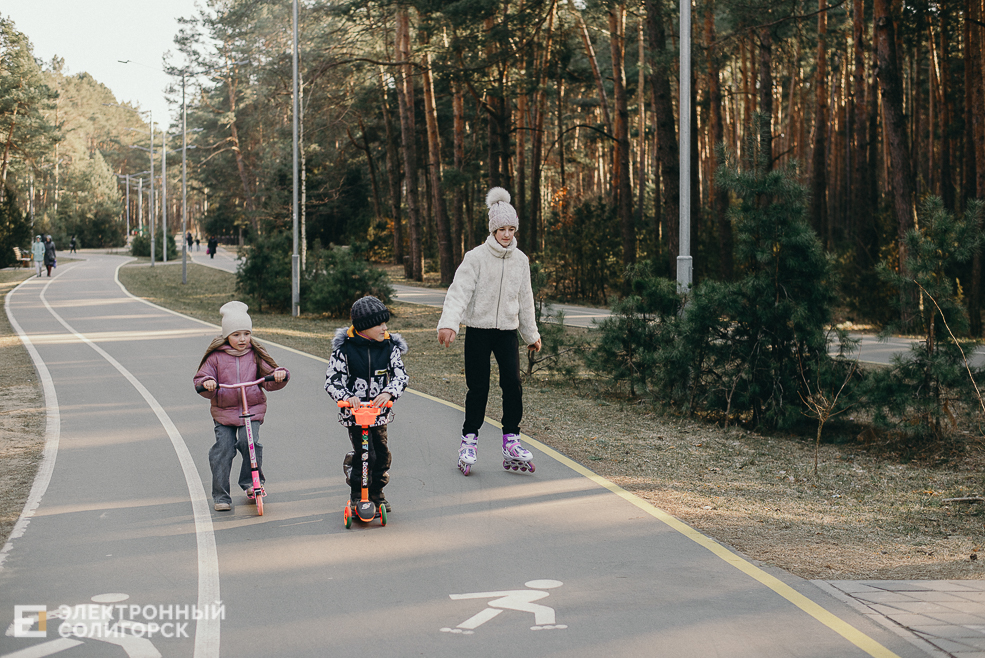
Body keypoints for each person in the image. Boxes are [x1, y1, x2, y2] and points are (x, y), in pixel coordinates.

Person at [437, 187, 542, 474]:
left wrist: (531, 334)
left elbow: (525, 300)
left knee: (512, 384)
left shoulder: (521, 260)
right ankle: (469, 439)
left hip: (507, 332)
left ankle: (511, 439)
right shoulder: (476, 257)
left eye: (511, 229)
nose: (507, 235)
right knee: (478, 387)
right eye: (502, 229)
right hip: (479, 331)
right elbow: (458, 292)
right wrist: (449, 323)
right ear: (492, 229)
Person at [193, 301, 290, 511]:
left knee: (250, 442)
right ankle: (221, 495)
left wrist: (279, 375)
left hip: (251, 409)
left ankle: (252, 483)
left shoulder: (254, 354)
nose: (242, 339)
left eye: (246, 334)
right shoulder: (216, 356)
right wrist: (207, 384)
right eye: (236, 334)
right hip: (224, 412)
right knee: (223, 450)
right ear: (227, 335)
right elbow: (202, 378)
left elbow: (269, 377)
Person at [325, 295, 409, 513]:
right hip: (356, 415)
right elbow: (332, 380)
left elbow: (401, 376)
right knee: (365, 454)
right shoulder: (345, 350)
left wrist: (390, 392)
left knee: (381, 455)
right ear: (363, 327)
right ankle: (356, 494)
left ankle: (377, 494)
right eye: (379, 324)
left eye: (385, 323)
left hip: (379, 414)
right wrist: (345, 396)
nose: (384, 328)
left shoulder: (389, 348)